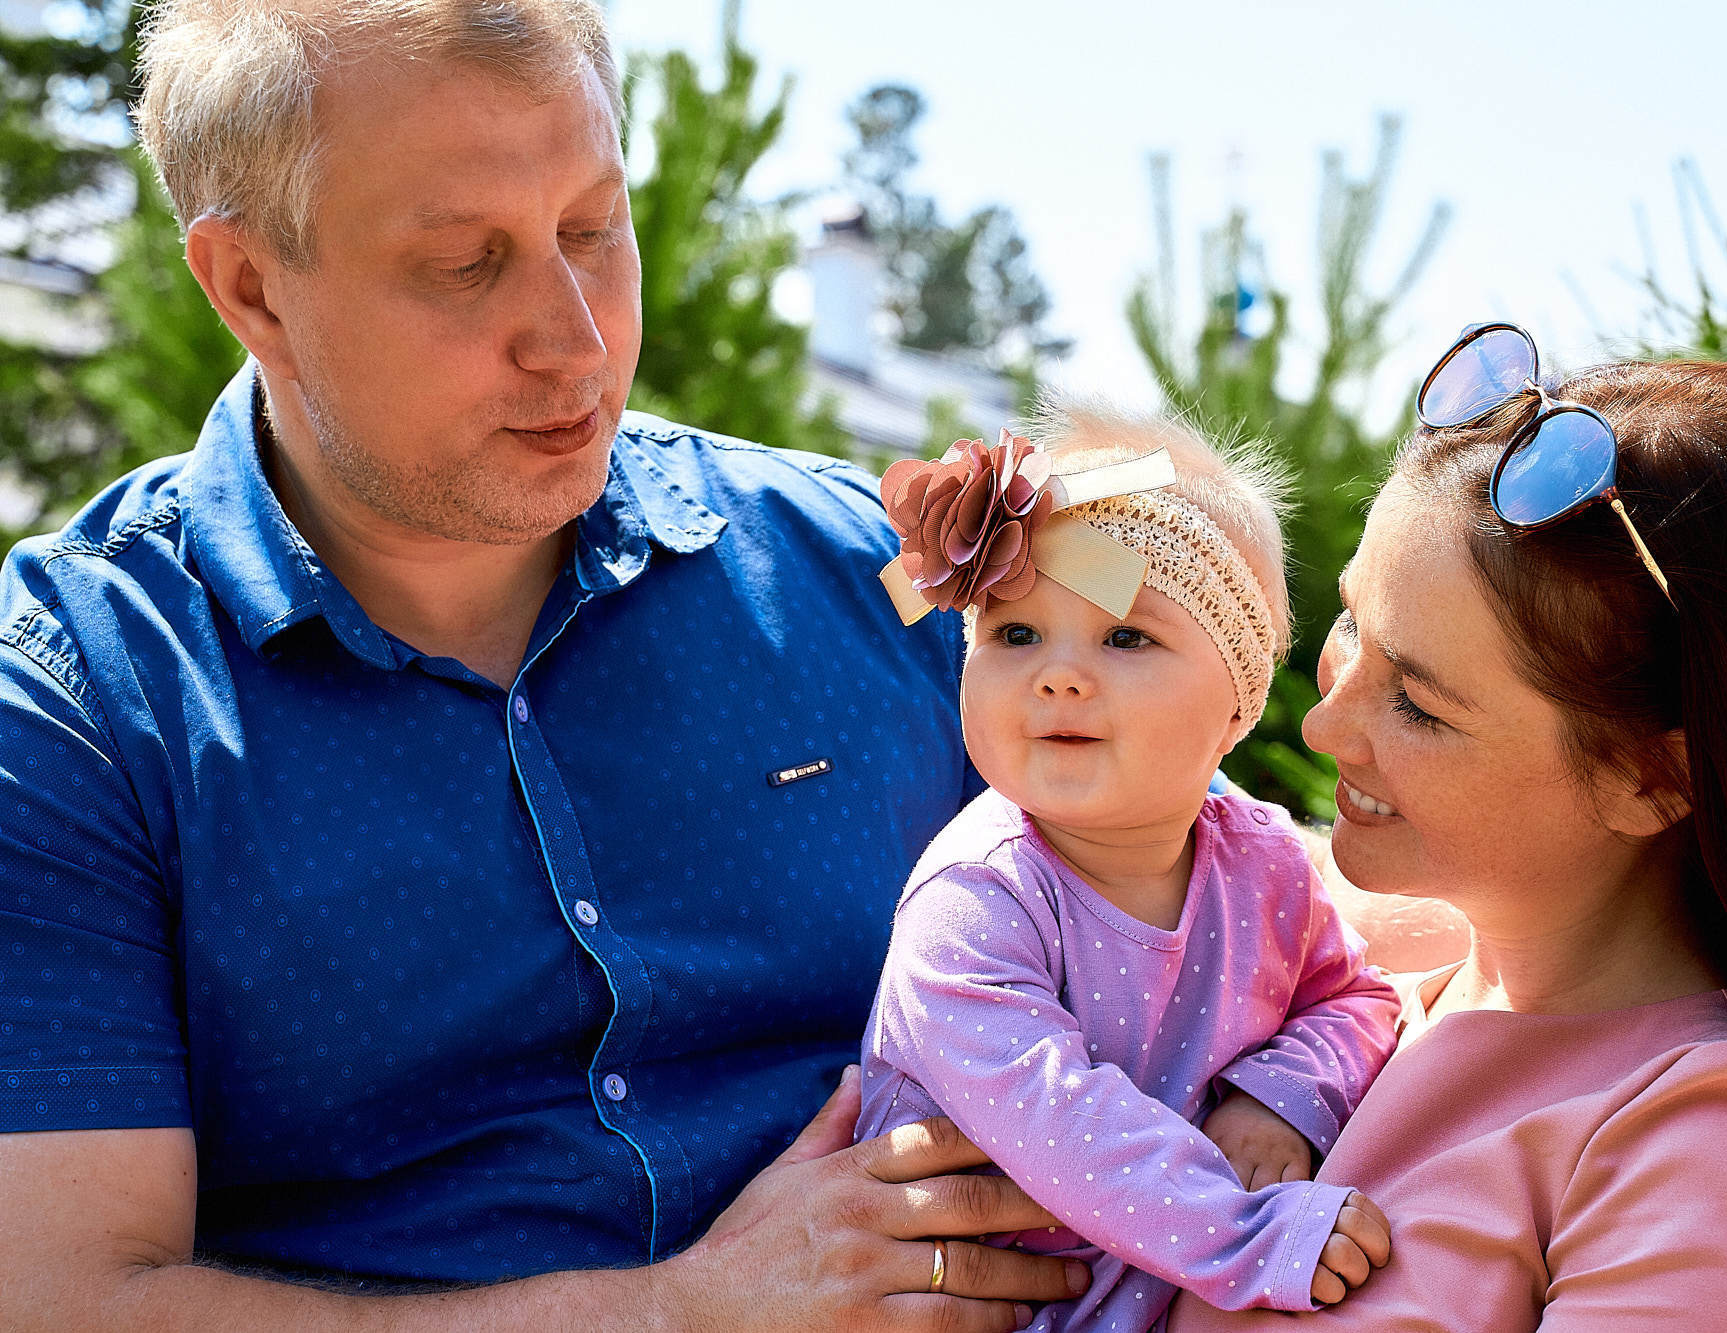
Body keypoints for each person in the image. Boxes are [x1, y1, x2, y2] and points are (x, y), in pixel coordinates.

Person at [0, 2, 1111, 1327]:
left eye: (594, 228)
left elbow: (1217, 893)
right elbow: (63, 1296)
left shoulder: (886, 578)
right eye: (468, 262)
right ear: (251, 288)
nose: (576, 338)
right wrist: (693, 1311)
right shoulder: (74, 707)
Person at [1169, 326, 1727, 1331]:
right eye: (1352, 625)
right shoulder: (1300, 921)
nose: (1321, 721)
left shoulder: (1716, 1160)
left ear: (1653, 778)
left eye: (1420, 704)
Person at [854, 409, 1400, 1330]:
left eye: (1125, 637)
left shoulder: (1266, 867)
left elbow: (1357, 997)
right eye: (1016, 634)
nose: (1059, 675)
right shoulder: (977, 901)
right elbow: (1065, 1124)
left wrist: (1286, 1092)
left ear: (1237, 704)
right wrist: (1254, 1234)